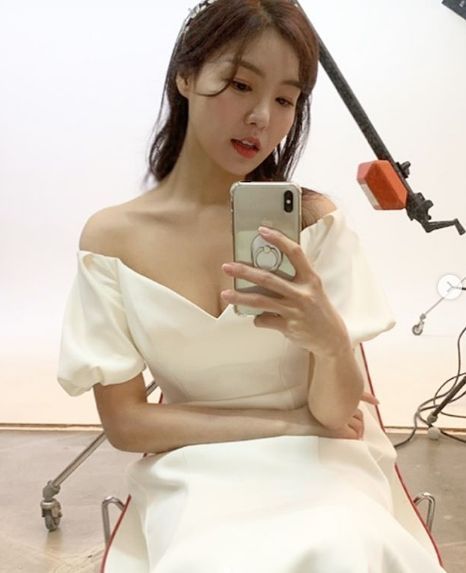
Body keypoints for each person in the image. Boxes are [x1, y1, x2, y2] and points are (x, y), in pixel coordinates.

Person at [57, 1, 447, 571]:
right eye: (241, 85)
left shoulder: (313, 223)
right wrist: (283, 424)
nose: (262, 117)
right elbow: (127, 423)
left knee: (343, 545)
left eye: (286, 99)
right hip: (196, 464)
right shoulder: (113, 239)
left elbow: (336, 415)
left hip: (325, 463)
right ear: (186, 76)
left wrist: (330, 341)